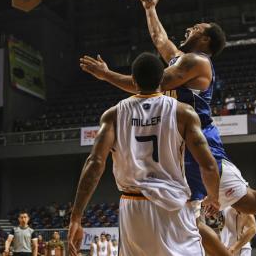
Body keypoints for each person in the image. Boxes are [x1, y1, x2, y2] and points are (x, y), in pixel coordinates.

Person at [79, 0, 256, 256]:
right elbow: (158, 37)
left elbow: (153, 83)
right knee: (220, 209)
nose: (190, 28)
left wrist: (106, 75)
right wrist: (149, 6)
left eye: (197, 28)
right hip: (183, 145)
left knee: (227, 206)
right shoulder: (181, 58)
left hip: (197, 145)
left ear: (206, 41)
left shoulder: (197, 61)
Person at [68, 53, 222, 256]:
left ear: (133, 80)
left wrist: (76, 217)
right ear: (163, 80)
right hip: (172, 206)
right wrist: (213, 197)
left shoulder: (113, 114)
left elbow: (94, 163)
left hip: (132, 206)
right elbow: (208, 165)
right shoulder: (183, 113)